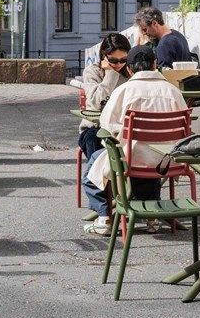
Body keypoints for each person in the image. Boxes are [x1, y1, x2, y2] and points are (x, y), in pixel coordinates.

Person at [82, 44, 188, 238]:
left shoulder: (124, 91)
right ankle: (152, 219)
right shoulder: (174, 92)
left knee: (93, 169)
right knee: (146, 155)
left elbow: (106, 127)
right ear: (155, 64)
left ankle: (104, 217)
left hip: (132, 159)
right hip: (168, 162)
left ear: (129, 69)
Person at [76, 33, 132, 222]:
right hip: (94, 126)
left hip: (122, 129)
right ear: (103, 56)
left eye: (123, 60)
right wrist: (111, 75)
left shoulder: (130, 73)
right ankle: (103, 210)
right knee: (95, 143)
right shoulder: (93, 72)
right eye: (113, 60)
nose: (118, 64)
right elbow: (95, 102)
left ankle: (135, 200)